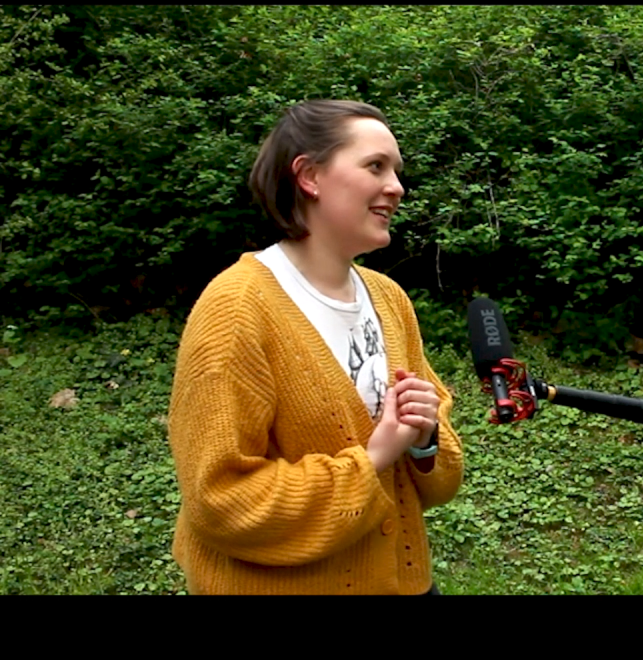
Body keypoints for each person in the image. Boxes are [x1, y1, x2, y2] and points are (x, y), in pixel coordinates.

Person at [167, 100, 463, 595]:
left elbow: (437, 476)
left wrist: (425, 437)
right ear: (309, 176)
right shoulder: (237, 310)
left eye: (397, 170)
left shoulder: (389, 299)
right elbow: (220, 499)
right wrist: (371, 461)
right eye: (375, 166)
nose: (397, 187)